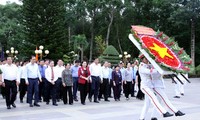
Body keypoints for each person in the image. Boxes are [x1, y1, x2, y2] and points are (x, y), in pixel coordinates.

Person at [139, 55, 173, 120]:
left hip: (150, 86)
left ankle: (142, 118)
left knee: (147, 104)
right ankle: (163, 112)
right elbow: (150, 71)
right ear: (142, 59)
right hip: (145, 87)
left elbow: (156, 65)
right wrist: (159, 70)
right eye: (146, 58)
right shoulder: (142, 67)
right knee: (153, 98)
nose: (147, 60)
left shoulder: (148, 65)